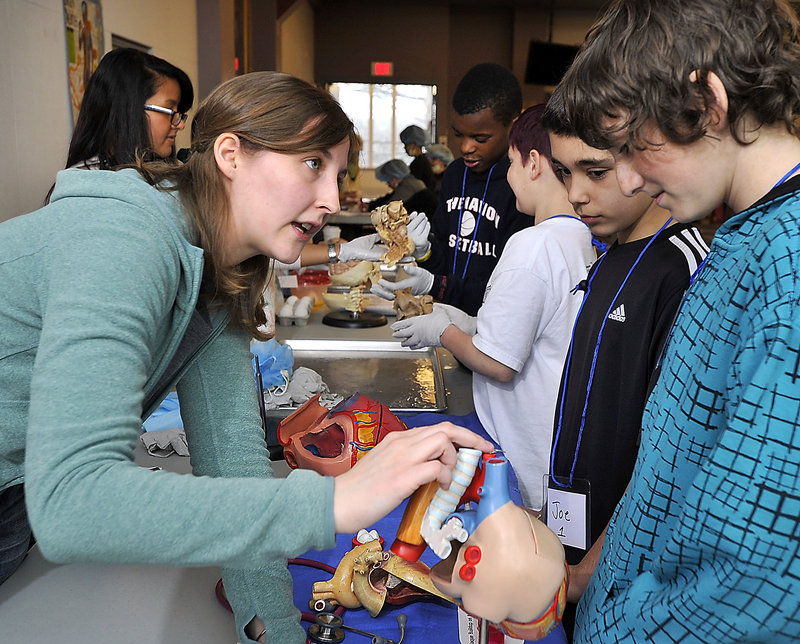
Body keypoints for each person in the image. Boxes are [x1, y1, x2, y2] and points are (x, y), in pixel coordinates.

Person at [0, 71, 493, 644]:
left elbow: (233, 458)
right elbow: (74, 501)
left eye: (336, 172)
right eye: (313, 164)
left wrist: (274, 630)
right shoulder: (121, 240)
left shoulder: (216, 272)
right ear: (231, 154)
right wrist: (332, 500)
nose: (332, 199)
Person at [547, 0, 800, 640]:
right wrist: (587, 580)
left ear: (707, 105)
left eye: (634, 146)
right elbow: (670, 466)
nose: (628, 177)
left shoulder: (789, 261)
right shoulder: (744, 233)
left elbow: (754, 585)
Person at [541, 91, 709, 640]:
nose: (575, 194)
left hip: (621, 559)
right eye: (564, 172)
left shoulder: (679, 269)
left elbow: (673, 454)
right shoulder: (609, 249)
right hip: (573, 521)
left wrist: (592, 567)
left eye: (595, 170)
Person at [390, 105, 596, 511]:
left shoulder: (533, 244)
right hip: (554, 442)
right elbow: (530, 330)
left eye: (512, 163)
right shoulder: (581, 238)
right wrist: (461, 317)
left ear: (533, 163)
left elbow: (499, 362)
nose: (509, 176)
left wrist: (443, 332)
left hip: (521, 454)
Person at [373, 63, 533, 316]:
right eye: (459, 135)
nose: (466, 147)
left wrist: (439, 286)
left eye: (480, 138)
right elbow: (444, 259)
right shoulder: (455, 175)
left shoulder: (522, 186)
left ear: (513, 128)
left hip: (494, 325)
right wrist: (426, 252)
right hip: (446, 316)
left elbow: (512, 289)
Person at [65, 47, 194, 170]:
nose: (180, 125)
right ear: (129, 111)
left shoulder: (151, 175)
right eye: (170, 111)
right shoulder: (87, 187)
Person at [369, 158, 438, 219]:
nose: (388, 185)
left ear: (394, 178)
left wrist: (372, 208)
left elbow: (389, 208)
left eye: (388, 181)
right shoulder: (412, 181)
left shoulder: (407, 186)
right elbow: (390, 197)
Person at [400, 124, 435, 190]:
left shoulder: (419, 163)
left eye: (406, 145)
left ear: (414, 144)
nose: (404, 148)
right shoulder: (423, 160)